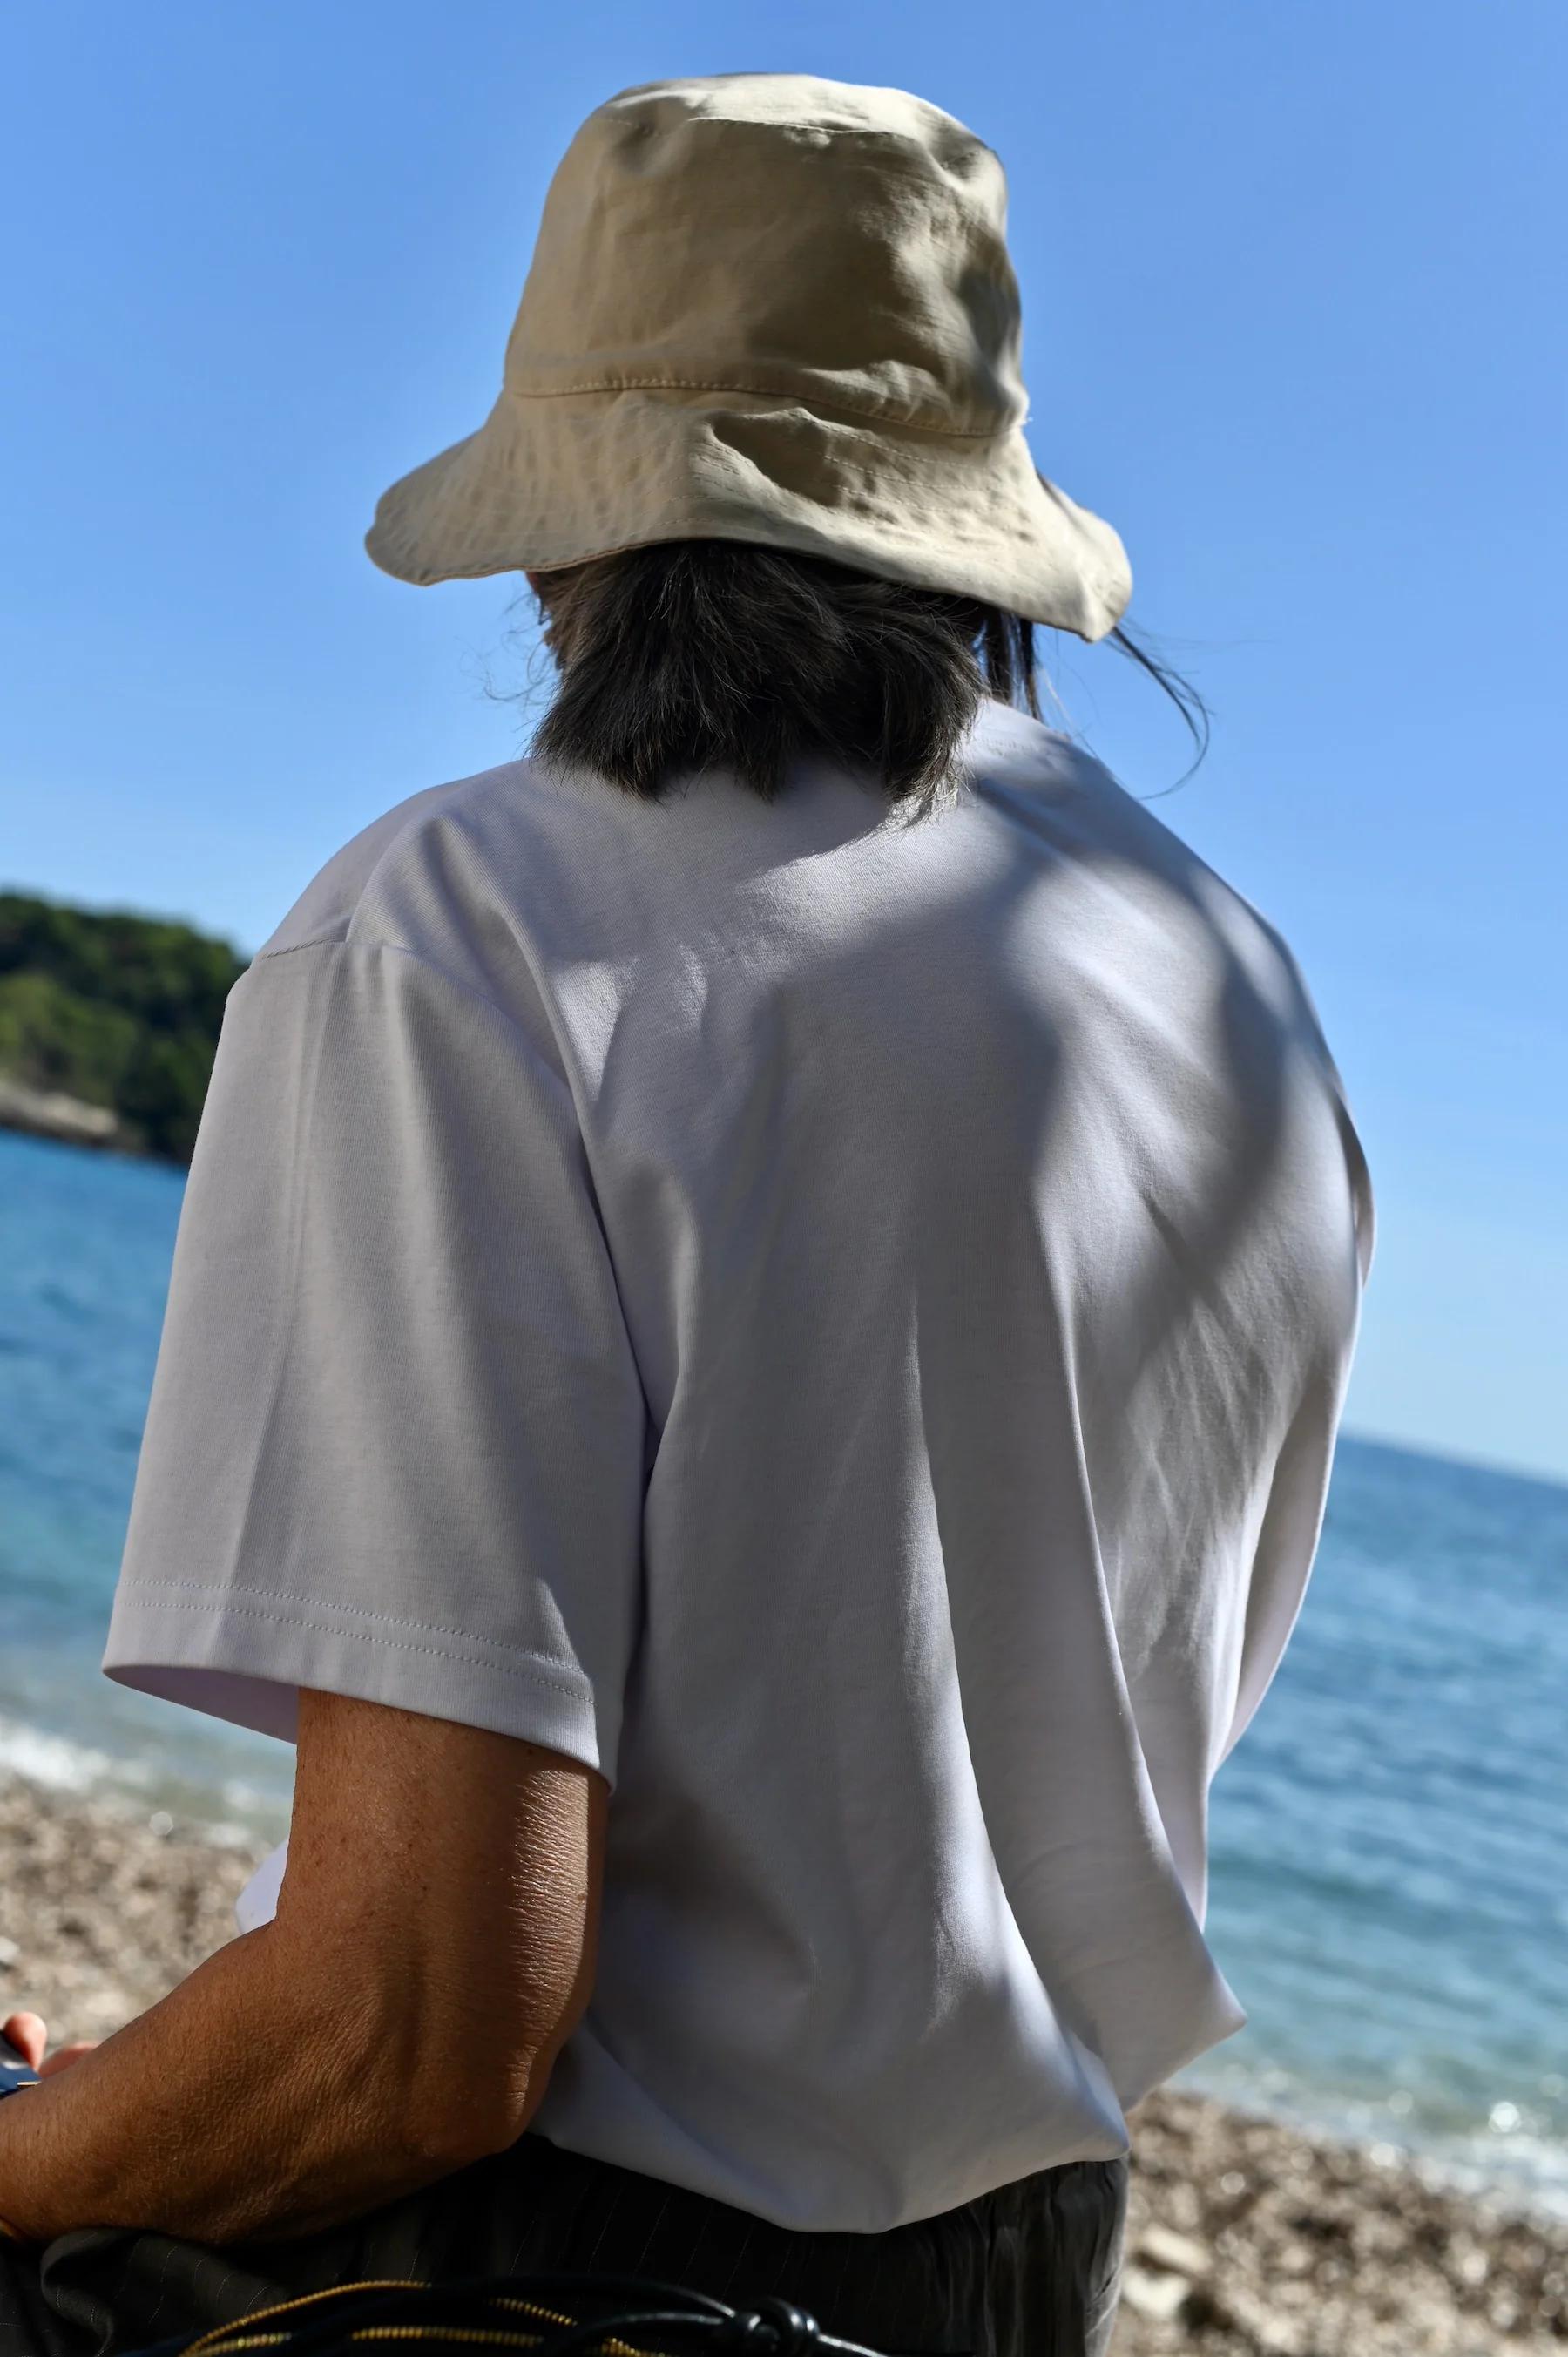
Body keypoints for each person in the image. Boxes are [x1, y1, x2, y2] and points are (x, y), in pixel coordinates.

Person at [0, 71, 1373, 2357]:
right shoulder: (1235, 1002)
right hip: (1011, 2274)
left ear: (567, 526)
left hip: (541, 2284)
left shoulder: (467, 930)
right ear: (974, 523)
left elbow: (420, 2021)